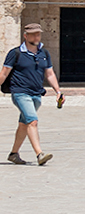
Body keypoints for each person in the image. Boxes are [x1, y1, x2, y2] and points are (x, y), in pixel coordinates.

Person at [2, 23, 61, 166]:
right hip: (20, 92)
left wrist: (58, 91)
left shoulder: (44, 53)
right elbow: (4, 73)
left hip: (36, 94)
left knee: (24, 124)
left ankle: (14, 154)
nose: (36, 36)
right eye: (33, 34)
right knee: (32, 121)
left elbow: (50, 73)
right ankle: (39, 154)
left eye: (38, 34)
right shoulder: (15, 53)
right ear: (25, 36)